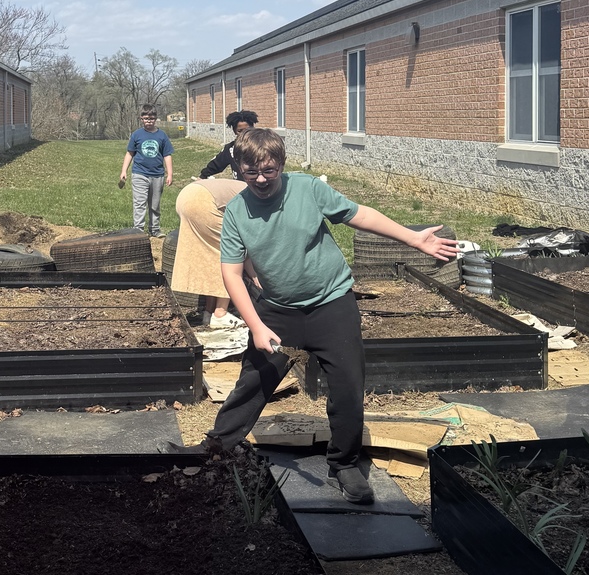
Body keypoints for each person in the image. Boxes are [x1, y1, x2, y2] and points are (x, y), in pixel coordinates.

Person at [160, 128, 459, 505]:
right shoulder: (236, 211)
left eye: (269, 170)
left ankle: (345, 463)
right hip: (277, 312)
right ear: (239, 169)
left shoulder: (308, 189)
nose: (261, 180)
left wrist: (413, 238)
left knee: (348, 386)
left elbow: (359, 215)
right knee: (253, 382)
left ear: (281, 164)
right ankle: (216, 447)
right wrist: (256, 325)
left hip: (331, 305)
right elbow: (231, 274)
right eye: (251, 172)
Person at [172, 111, 258, 328]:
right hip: (204, 201)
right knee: (232, 253)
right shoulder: (255, 191)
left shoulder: (256, 156)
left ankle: (209, 313)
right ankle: (221, 313)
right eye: (240, 131)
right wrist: (257, 279)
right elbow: (248, 246)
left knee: (213, 256)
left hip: (188, 195)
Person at [120, 104, 174, 238]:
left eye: (151, 118)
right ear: (141, 119)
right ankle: (138, 230)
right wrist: (124, 171)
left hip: (157, 175)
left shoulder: (162, 136)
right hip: (139, 174)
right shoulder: (137, 135)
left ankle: (154, 229)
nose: (149, 121)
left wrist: (170, 174)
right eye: (146, 118)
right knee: (139, 203)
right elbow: (130, 153)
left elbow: (167, 155)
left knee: (155, 205)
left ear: (156, 118)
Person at [199, 110, 258, 180]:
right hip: (240, 185)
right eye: (240, 131)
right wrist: (203, 176)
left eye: (247, 130)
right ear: (234, 131)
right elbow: (216, 164)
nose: (244, 134)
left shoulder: (261, 145)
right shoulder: (231, 149)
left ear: (253, 128)